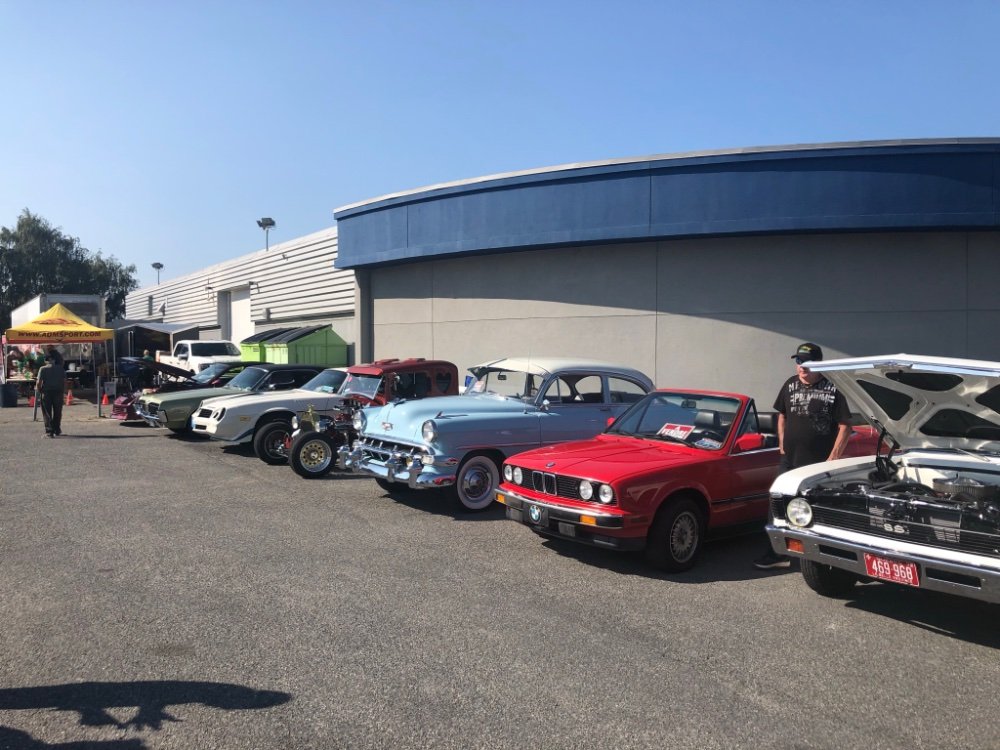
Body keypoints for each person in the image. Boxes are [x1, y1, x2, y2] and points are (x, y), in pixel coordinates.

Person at [754, 342, 852, 569]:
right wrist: (781, 442)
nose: (802, 367)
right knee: (778, 501)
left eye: (807, 362)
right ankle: (776, 552)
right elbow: (782, 415)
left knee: (815, 507)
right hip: (790, 459)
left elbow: (845, 426)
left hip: (819, 463)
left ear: (819, 365)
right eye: (799, 361)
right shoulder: (789, 384)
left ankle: (819, 557)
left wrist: (833, 458)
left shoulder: (833, 389)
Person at [35, 354, 66, 438]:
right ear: (54, 360)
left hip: (47, 392)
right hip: (58, 391)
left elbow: (38, 382)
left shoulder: (43, 369)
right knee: (58, 412)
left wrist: (39, 390)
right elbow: (64, 381)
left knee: (47, 412)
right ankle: (57, 430)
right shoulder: (61, 368)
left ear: (46, 361)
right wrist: (63, 391)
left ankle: (49, 431)